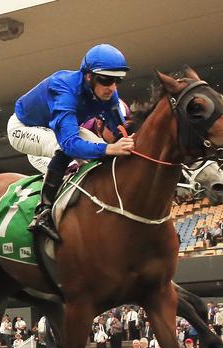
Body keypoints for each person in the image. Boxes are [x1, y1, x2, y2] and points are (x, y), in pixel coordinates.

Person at [7, 44, 134, 240]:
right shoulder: (64, 88)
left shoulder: (109, 94)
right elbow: (69, 144)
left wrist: (129, 141)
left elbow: (121, 132)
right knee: (70, 150)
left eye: (117, 80)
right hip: (23, 129)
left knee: (98, 149)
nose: (112, 87)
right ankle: (43, 213)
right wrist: (110, 148)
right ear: (89, 76)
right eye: (106, 80)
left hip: (57, 129)